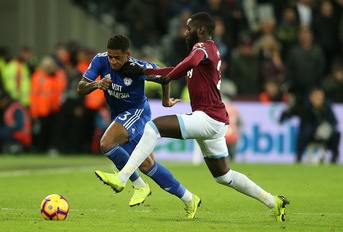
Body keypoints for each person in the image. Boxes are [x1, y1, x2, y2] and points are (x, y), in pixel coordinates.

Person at [95, 12, 290, 221]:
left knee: (153, 128)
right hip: (215, 120)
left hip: (207, 118)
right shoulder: (205, 51)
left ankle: (123, 178)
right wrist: (146, 72)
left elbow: (184, 66)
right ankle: (273, 201)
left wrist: (158, 74)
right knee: (223, 176)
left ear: (201, 30)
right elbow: (175, 69)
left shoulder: (203, 47)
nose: (185, 33)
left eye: (189, 29)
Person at [77, 34, 200, 218]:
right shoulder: (100, 60)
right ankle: (189, 198)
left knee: (106, 143)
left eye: (117, 57)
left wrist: (166, 101)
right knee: (146, 164)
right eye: (110, 56)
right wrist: (97, 84)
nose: (113, 61)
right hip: (119, 116)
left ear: (128, 54)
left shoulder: (137, 67)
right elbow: (80, 87)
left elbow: (165, 76)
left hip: (137, 112)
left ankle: (130, 182)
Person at [280, 87, 341, 164]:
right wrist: (288, 109)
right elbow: (287, 115)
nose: (319, 98)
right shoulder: (305, 107)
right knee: (304, 132)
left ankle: (334, 157)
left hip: (324, 134)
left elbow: (334, 121)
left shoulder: (327, 108)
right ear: (311, 97)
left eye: (320, 96)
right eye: (317, 96)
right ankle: (298, 157)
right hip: (309, 134)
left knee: (336, 133)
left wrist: (327, 126)